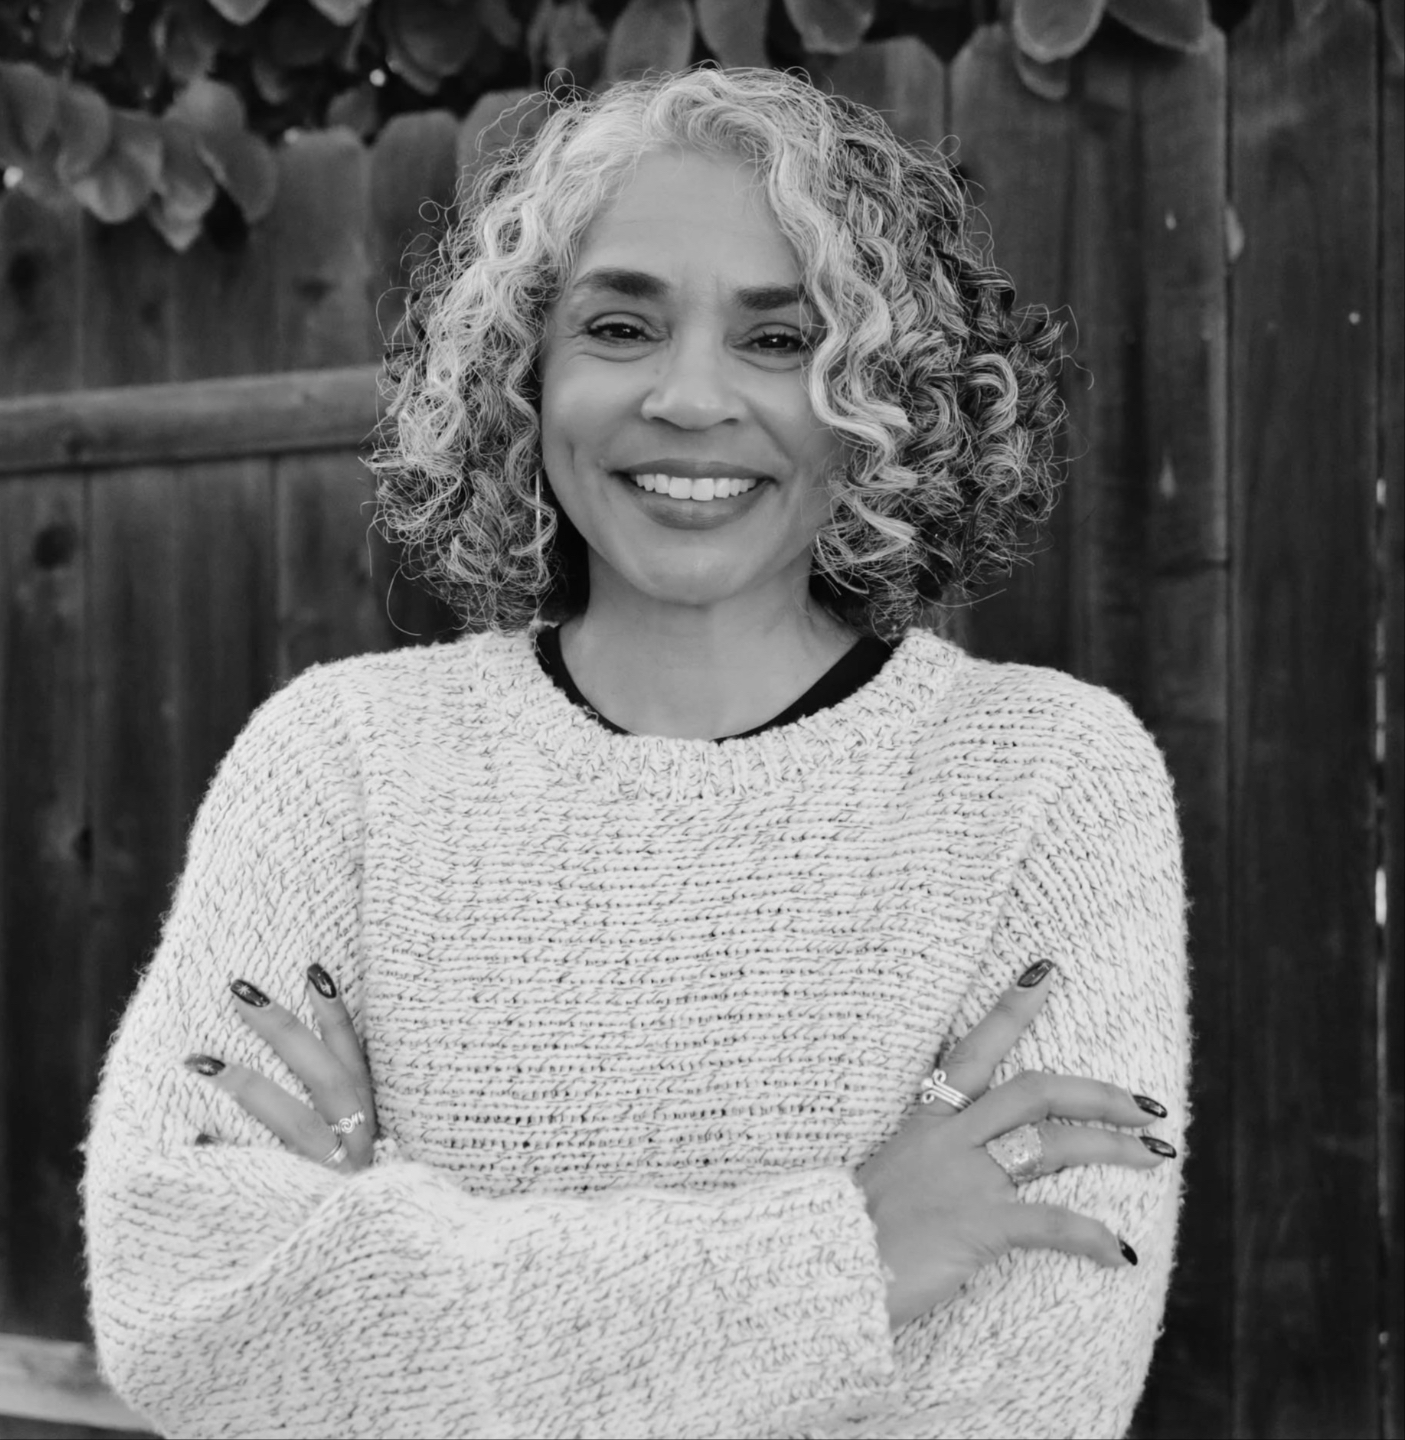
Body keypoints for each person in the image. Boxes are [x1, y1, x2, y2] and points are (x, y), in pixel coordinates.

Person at [82, 66, 1188, 1439]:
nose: (689, 396)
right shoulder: (340, 763)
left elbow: (1025, 1397)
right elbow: (192, 1318)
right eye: (620, 326)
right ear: (526, 369)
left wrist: (381, 1256)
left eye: (781, 341)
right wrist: (846, 1257)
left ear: (884, 394)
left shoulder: (1044, 781)